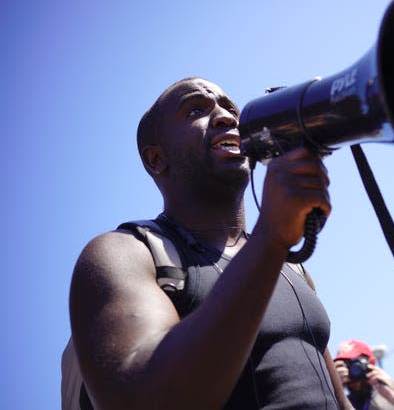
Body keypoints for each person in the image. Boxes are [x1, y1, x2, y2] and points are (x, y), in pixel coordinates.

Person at [65, 77, 353, 409]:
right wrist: (271, 235)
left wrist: (271, 241)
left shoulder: (290, 267)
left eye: (230, 108)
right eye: (195, 110)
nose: (227, 117)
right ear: (156, 159)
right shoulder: (123, 253)